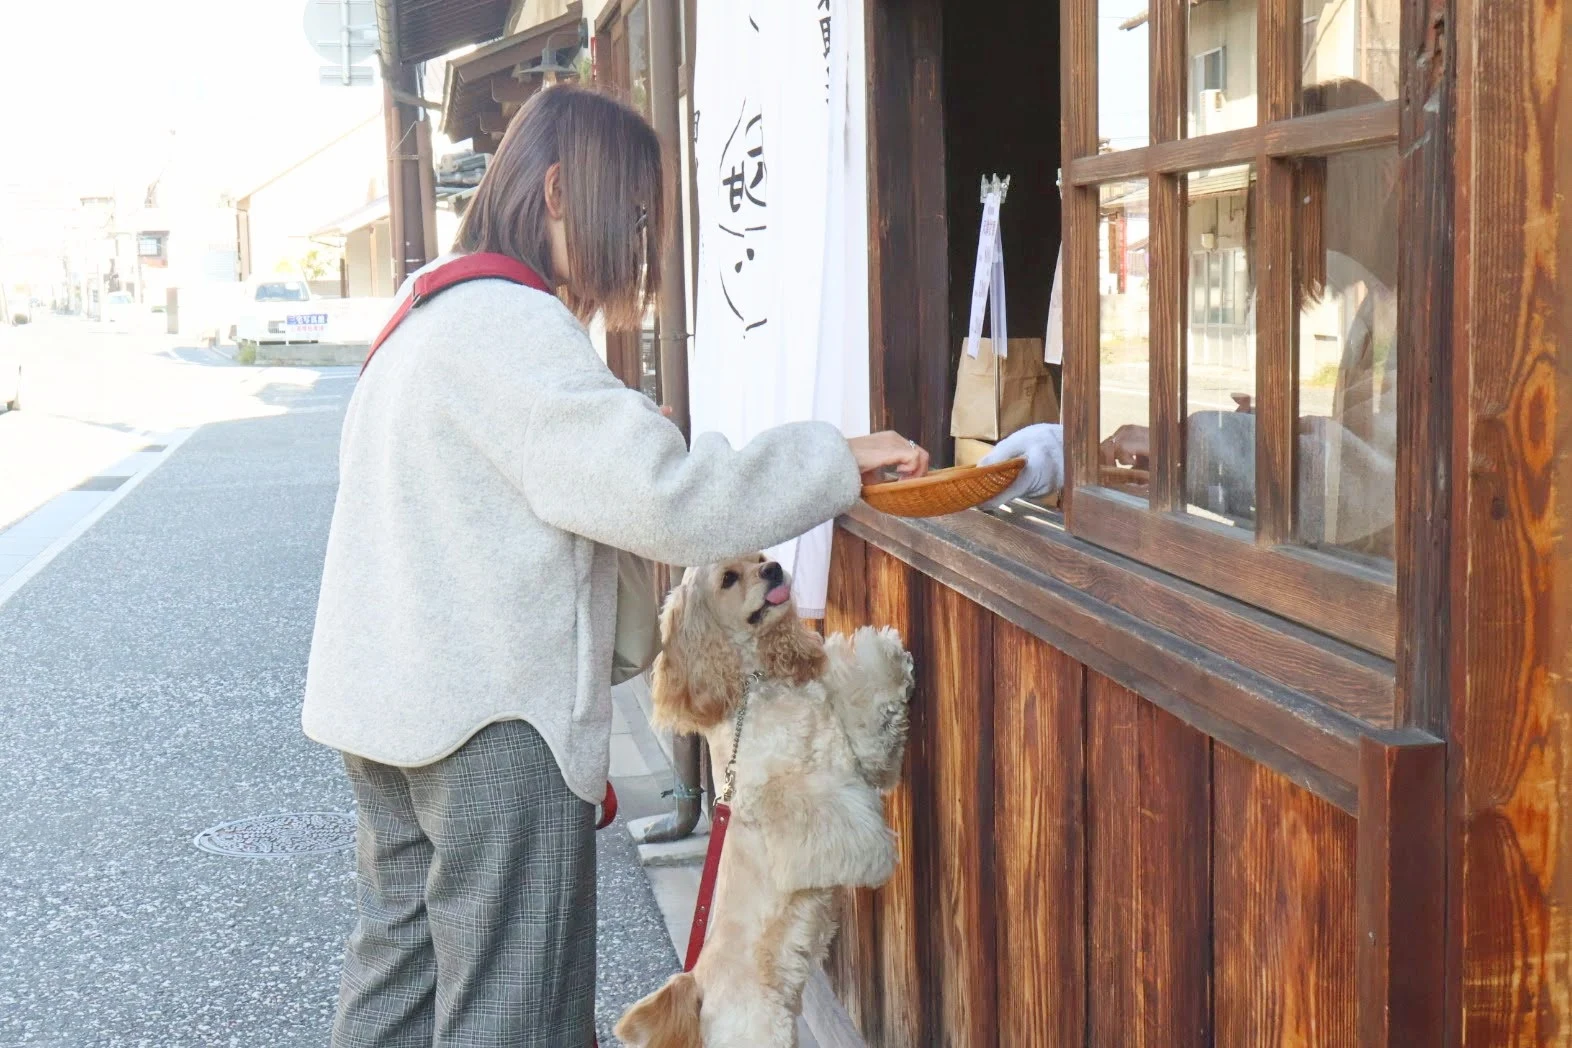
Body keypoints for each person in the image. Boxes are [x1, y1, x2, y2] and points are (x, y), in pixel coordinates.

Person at [300, 85, 928, 1048]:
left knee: (397, 985)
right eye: (629, 215)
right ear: (557, 193)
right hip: (490, 729)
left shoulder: (423, 317)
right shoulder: (513, 330)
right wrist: (833, 460)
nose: (636, 247)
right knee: (514, 1009)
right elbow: (669, 497)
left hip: (385, 710)